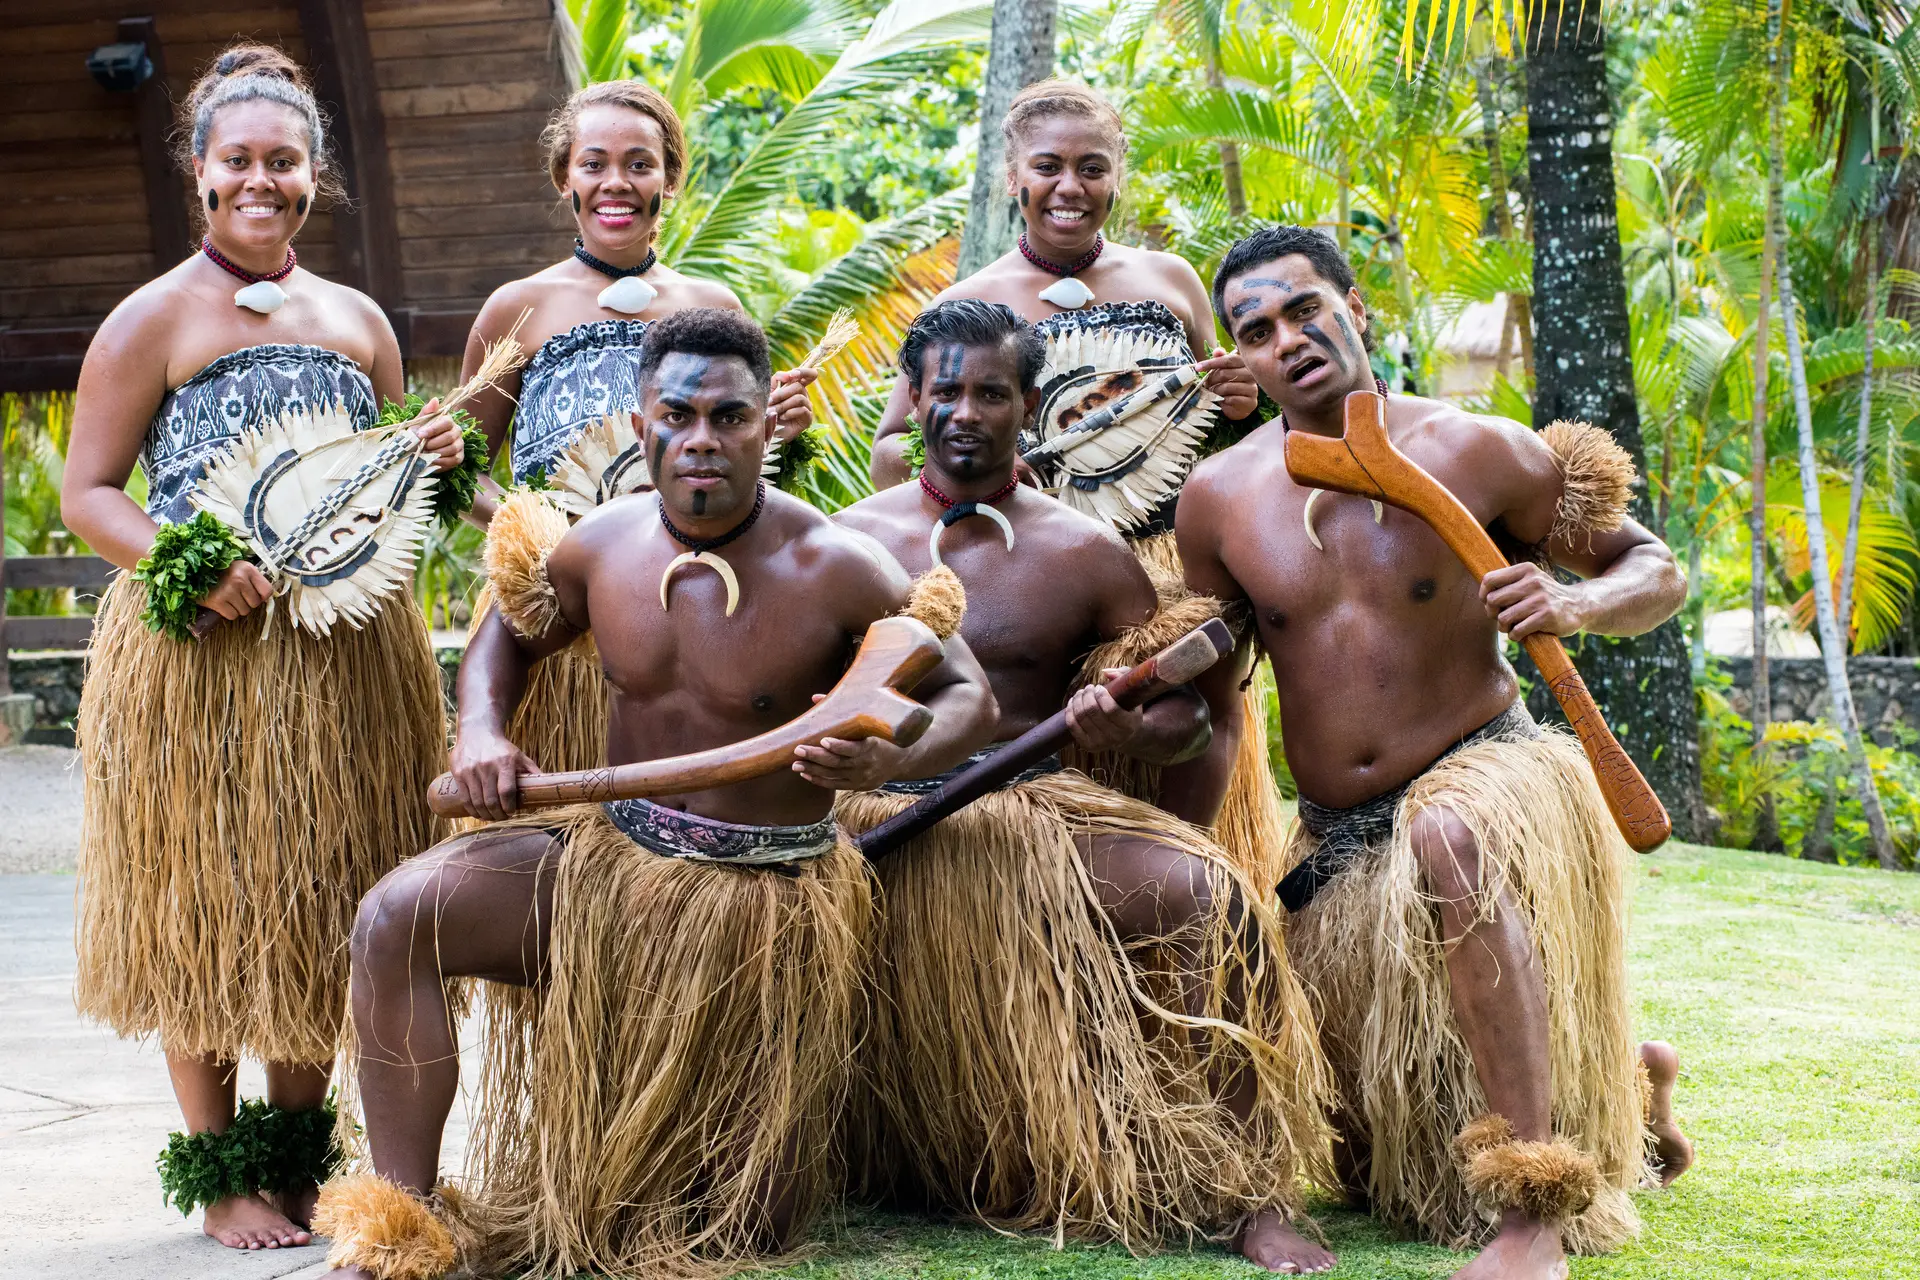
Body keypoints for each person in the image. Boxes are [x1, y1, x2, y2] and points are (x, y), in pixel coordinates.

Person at [310, 309, 997, 1280]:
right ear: (643, 425)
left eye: (729, 416)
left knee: (713, 1227)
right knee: (395, 915)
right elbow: (508, 632)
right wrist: (483, 728)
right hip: (610, 858)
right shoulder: (601, 545)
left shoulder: (836, 563)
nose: (702, 439)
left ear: (767, 424)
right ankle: (397, 1231)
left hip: (756, 907)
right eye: (678, 415)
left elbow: (970, 690)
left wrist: (886, 761)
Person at [1175, 225, 1696, 1279]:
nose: (1290, 339)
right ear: (1242, 356)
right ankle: (1630, 1093)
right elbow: (1216, 679)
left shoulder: (1476, 447)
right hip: (1333, 832)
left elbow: (1657, 569)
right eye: (1258, 329)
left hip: (1483, 772)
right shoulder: (1219, 498)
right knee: (1379, 1165)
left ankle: (1535, 1212)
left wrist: (1574, 598)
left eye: (1306, 309)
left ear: (1354, 308)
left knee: (1448, 838)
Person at [833, 299, 1334, 1274]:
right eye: (947, 391)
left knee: (1212, 897)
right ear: (916, 402)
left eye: (992, 392)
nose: (967, 411)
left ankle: (1251, 1191)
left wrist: (1130, 726)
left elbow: (1187, 716)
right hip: (878, 811)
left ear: (1029, 404)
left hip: (1038, 815)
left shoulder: (1085, 551)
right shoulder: (846, 541)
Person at [59, 44, 461, 1252]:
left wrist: (436, 464)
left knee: (315, 901)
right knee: (204, 904)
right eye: (238, 159)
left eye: (282, 161)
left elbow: (389, 487)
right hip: (199, 666)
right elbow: (91, 490)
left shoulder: (356, 320)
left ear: (313, 174)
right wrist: (187, 565)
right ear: (200, 172)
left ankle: (294, 1161)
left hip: (339, 666)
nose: (260, 179)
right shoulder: (151, 318)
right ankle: (222, 1172)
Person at [870, 77, 1288, 891]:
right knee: (1061, 736)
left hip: (1168, 558)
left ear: (1117, 175)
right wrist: (990, 469)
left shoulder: (1170, 280)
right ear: (1012, 176)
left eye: (1092, 167)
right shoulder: (971, 300)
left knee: (1204, 701)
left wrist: (1244, 402)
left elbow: (1218, 417)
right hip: (1037, 566)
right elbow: (894, 447)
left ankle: (1195, 882)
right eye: (1049, 166)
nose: (1070, 187)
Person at [453, 80, 816, 777]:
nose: (615, 183)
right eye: (594, 164)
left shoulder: (716, 306)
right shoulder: (517, 308)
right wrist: (534, 540)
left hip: (693, 604)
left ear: (670, 179)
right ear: (566, 178)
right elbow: (458, 465)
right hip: (548, 617)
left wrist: (786, 435)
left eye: (639, 164)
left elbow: (742, 454)